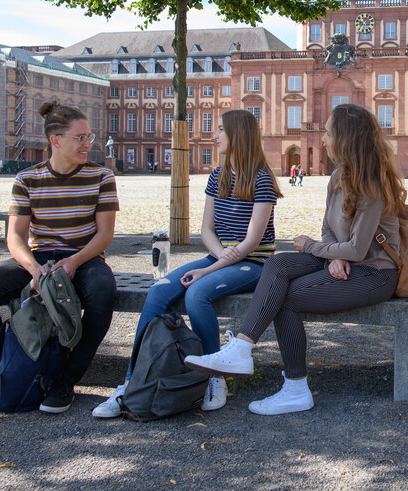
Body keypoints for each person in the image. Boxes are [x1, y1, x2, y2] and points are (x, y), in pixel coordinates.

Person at [185, 103, 406, 416]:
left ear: (347, 138)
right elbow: (329, 229)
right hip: (342, 261)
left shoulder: (372, 184)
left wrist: (314, 247)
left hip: (373, 273)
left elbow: (357, 251)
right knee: (278, 264)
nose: (324, 139)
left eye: (328, 133)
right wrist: (331, 254)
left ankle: (296, 389)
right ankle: (242, 349)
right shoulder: (337, 177)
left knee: (285, 298)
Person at [92, 109, 282, 418]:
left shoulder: (262, 179)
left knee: (197, 293)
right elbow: (206, 229)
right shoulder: (217, 176)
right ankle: (130, 383)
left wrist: (208, 269)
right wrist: (218, 255)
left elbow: (252, 240)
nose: (214, 135)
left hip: (254, 263)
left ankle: (214, 376)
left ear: (239, 135)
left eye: (220, 129)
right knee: (159, 290)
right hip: (220, 257)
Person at [0, 101, 118, 414]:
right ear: (55, 140)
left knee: (103, 293)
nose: (88, 144)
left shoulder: (101, 176)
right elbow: (15, 237)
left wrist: (74, 261)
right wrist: (33, 268)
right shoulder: (27, 179)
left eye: (89, 137)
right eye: (80, 138)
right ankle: (6, 371)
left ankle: (65, 380)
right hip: (39, 257)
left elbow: (104, 235)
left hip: (84, 257)